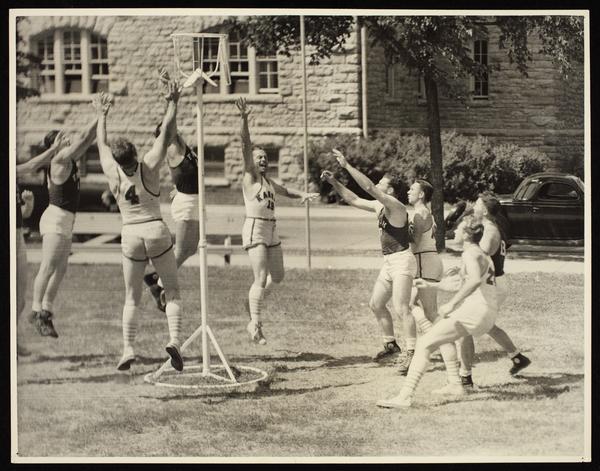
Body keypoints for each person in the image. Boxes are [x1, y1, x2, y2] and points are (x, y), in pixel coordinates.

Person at [93, 85, 185, 372]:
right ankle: (174, 340)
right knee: (172, 290)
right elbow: (166, 133)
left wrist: (102, 114)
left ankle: (128, 348)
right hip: (154, 228)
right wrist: (172, 102)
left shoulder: (112, 171)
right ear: (134, 152)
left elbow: (101, 144)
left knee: (131, 297)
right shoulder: (147, 165)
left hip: (130, 232)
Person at [377, 216, 497, 409]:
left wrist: (452, 304)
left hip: (475, 310)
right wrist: (431, 285)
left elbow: (474, 280)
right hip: (486, 311)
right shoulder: (480, 254)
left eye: (458, 228)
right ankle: (455, 384)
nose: (454, 231)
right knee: (438, 338)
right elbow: (462, 284)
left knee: (424, 343)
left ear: (467, 235)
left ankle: (405, 397)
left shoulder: (470, 254)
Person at [236, 97, 319, 345]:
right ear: (251, 161)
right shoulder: (250, 177)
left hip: (271, 229)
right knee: (261, 277)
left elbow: (287, 191)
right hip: (255, 227)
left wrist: (303, 194)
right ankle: (255, 324)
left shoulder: (269, 182)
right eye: (258, 157)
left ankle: (253, 301)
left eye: (264, 157)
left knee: (278, 276)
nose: (262, 160)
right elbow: (245, 143)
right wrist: (244, 118)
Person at [321, 149, 416, 363]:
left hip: (402, 261)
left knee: (402, 308)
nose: (377, 184)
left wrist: (346, 165)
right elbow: (354, 199)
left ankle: (412, 353)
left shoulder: (397, 207)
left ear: (390, 190)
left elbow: (369, 188)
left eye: (382, 182)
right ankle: (391, 346)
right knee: (376, 304)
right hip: (389, 262)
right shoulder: (379, 206)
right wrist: (334, 182)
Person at [17, 120, 97, 339]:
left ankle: (46, 310)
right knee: (48, 267)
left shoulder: (68, 159)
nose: (68, 140)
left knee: (60, 269)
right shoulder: (59, 159)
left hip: (65, 220)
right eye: (63, 138)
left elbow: (86, 140)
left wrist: (102, 119)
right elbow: (83, 139)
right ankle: (35, 311)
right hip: (55, 219)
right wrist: (99, 115)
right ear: (56, 145)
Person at [457, 192, 531, 387]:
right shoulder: (490, 227)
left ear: (485, 211)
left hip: (492, 284)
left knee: (464, 327)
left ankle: (465, 377)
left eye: (477, 204)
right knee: (486, 324)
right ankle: (517, 357)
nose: (474, 206)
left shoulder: (489, 231)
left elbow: (480, 257)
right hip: (495, 282)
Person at [143, 70, 201, 312]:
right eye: (170, 131)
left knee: (191, 248)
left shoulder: (181, 145)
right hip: (187, 202)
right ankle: (158, 284)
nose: (176, 132)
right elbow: (170, 123)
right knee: (181, 249)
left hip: (192, 198)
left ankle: (155, 277)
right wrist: (171, 100)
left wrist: (166, 86)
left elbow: (171, 123)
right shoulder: (172, 148)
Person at [396, 179, 445, 374]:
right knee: (408, 304)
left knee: (430, 311)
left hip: (425, 262)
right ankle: (432, 340)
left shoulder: (420, 214)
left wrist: (397, 234)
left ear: (422, 194)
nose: (408, 191)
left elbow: (414, 242)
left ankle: (448, 343)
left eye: (412, 189)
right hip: (426, 261)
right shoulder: (423, 212)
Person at [16, 185, 35, 356]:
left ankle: (13, 341)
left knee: (19, 300)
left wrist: (28, 205)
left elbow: (20, 215)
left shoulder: (15, 182)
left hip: (18, 238)